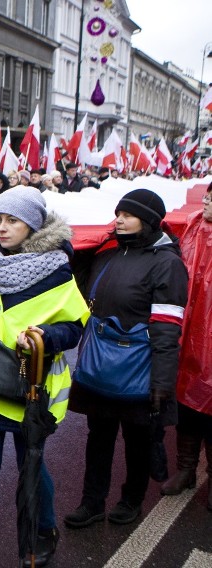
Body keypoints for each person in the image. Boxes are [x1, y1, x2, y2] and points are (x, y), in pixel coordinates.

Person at [0, 186, 89, 568]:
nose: (2, 227)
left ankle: (45, 529)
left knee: (31, 464)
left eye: (12, 220)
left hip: (29, 386)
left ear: (32, 224)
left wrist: (47, 337)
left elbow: (76, 325)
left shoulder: (55, 271)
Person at [64, 189, 188, 529]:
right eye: (118, 213)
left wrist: (163, 382)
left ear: (148, 221)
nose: (118, 219)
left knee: (138, 441)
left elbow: (167, 329)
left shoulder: (168, 264)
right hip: (101, 367)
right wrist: (82, 254)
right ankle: (92, 503)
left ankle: (131, 500)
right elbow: (82, 290)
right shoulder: (109, 254)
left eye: (127, 215)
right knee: (99, 436)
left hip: (140, 370)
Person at [160, 183, 212, 510]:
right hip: (190, 332)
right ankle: (186, 469)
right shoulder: (194, 226)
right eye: (208, 196)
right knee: (187, 405)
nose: (206, 201)